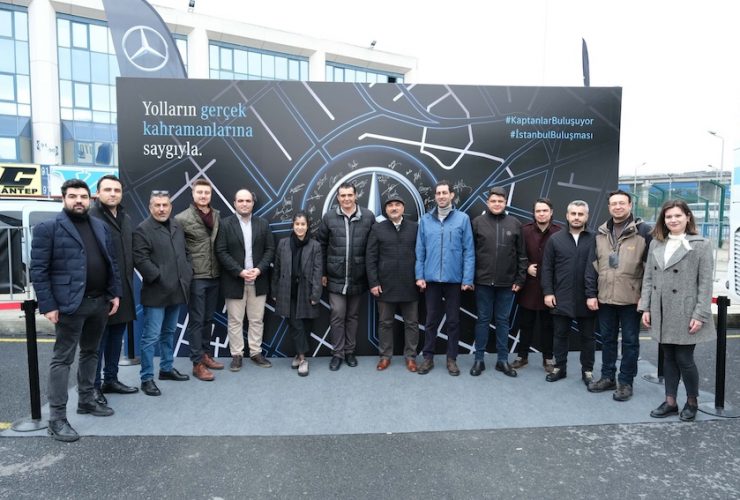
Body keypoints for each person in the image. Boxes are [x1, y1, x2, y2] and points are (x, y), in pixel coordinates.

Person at [31, 179, 121, 442]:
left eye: (83, 196)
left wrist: (114, 293)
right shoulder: (48, 228)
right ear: (64, 199)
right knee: (63, 359)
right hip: (69, 304)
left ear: (90, 199)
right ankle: (57, 419)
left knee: (91, 352)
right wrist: (48, 305)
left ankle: (86, 400)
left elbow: (111, 263)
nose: (78, 201)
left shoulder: (100, 226)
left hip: (99, 302)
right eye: (73, 196)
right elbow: (39, 270)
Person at [639, 200, 715, 421]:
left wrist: (700, 314)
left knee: (684, 358)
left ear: (687, 217)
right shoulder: (656, 243)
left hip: (685, 310)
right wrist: (646, 307)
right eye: (668, 216)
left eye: (677, 216)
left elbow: (705, 284)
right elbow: (648, 277)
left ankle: (692, 402)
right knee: (668, 356)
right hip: (661, 309)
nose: (673, 220)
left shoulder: (701, 244)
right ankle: (670, 401)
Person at [586, 189, 652, 401]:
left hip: (632, 299)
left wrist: (645, 298)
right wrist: (591, 293)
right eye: (614, 203)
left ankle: (625, 382)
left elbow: (650, 270)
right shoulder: (600, 234)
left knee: (630, 342)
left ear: (630, 205)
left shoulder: (644, 232)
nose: (618, 207)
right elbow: (592, 266)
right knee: (607, 340)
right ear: (609, 207)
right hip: (605, 297)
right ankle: (608, 377)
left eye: (622, 203)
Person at [133, 190, 193, 396]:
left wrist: (187, 271)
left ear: (170, 207)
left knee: (169, 332)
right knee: (151, 337)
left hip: (177, 290)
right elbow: (140, 259)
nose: (161, 209)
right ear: (150, 207)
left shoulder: (177, 225)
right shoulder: (142, 229)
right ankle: (146, 378)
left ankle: (166, 368)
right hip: (156, 292)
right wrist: (160, 277)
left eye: (165, 205)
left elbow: (185, 252)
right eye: (157, 205)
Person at [415, 180, 475, 376]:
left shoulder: (463, 219)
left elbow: (469, 251)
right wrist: (419, 275)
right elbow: (420, 251)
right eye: (438, 193)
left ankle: (451, 359)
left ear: (451, 195)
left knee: (453, 321)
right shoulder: (425, 220)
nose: (441, 196)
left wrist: (467, 279)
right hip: (431, 280)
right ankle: (428, 358)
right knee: (430, 320)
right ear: (435, 196)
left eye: (444, 193)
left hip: (454, 280)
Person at [89, 175, 139, 404]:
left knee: (116, 337)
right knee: (97, 342)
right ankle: (93, 387)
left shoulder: (126, 218)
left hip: (124, 288)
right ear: (98, 193)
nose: (112, 194)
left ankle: (111, 379)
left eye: (117, 190)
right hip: (100, 291)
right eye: (108, 189)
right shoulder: (91, 217)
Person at [317, 182, 375, 371]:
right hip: (335, 276)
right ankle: (338, 354)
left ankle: (350, 352)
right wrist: (323, 272)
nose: (346, 199)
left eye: (350, 195)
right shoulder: (329, 217)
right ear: (338, 198)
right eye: (343, 195)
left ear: (356, 195)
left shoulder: (368, 216)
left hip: (358, 276)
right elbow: (321, 246)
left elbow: (373, 248)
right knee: (337, 315)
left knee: (352, 316)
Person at [215, 188, 275, 371]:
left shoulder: (263, 224)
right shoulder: (225, 224)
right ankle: (237, 355)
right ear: (234, 203)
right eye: (240, 201)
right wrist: (239, 271)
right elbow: (221, 251)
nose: (244, 204)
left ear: (253, 203)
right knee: (235, 320)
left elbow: (270, 250)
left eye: (248, 201)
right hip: (234, 280)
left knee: (257, 320)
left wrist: (259, 269)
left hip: (258, 280)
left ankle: (256, 352)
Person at [470, 187, 527, 377]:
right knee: (483, 320)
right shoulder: (477, 223)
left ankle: (502, 360)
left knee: (503, 321)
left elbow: (522, 254)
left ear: (505, 203)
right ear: (488, 202)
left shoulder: (515, 223)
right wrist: (470, 278)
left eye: (500, 201)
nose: (497, 204)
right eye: (493, 201)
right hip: (482, 282)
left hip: (507, 283)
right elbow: (470, 253)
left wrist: (520, 279)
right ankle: (479, 360)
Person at [541, 200, 596, 385]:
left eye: (581, 214)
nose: (577, 217)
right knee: (560, 335)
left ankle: (587, 371)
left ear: (587, 216)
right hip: (561, 296)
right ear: (567, 215)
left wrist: (593, 294)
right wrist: (548, 292)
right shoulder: (555, 239)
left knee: (588, 337)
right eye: (573, 214)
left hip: (587, 297)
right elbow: (547, 268)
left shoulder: (595, 239)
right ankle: (560, 368)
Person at [175, 179, 224, 381]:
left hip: (215, 275)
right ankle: (197, 364)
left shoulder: (217, 215)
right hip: (196, 277)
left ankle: (205, 355)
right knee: (196, 320)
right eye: (200, 192)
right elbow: (178, 250)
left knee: (208, 319)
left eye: (207, 193)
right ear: (193, 194)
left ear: (211, 195)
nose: (203, 196)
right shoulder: (181, 218)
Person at [366, 195, 419, 372]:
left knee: (411, 323)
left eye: (397, 205)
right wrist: (374, 282)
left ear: (403, 208)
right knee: (385, 323)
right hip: (385, 285)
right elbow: (370, 258)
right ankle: (385, 356)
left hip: (410, 284)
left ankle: (411, 357)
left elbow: (422, 255)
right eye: (390, 205)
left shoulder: (415, 228)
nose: (394, 208)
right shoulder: (377, 229)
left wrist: (420, 278)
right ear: (386, 210)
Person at [512, 198, 561, 373]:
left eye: (545, 210)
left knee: (548, 325)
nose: (541, 214)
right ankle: (522, 357)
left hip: (550, 288)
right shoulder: (524, 230)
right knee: (525, 323)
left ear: (551, 212)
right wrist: (526, 268)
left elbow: (562, 259)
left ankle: (548, 358)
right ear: (533, 213)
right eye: (538, 211)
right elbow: (515, 254)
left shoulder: (559, 232)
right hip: (528, 286)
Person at [271, 211, 323, 377]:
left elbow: (318, 272)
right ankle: (303, 359)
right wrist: (275, 290)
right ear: (293, 225)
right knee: (296, 324)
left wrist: (316, 294)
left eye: (303, 224)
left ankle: (298, 354)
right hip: (288, 291)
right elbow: (277, 269)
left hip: (306, 291)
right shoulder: (283, 244)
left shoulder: (315, 246)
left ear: (308, 226)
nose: (300, 227)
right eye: (297, 224)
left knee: (305, 325)